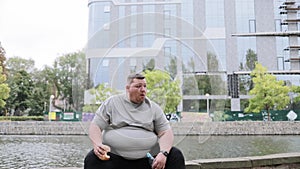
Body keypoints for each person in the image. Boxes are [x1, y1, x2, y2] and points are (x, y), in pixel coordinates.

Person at [84, 73, 185, 169]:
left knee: (175, 155)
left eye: (145, 86)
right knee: (92, 158)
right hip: (115, 157)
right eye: (138, 86)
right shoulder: (112, 103)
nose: (143, 89)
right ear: (127, 88)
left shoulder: (154, 108)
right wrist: (98, 145)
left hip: (146, 158)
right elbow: (95, 126)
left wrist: (163, 153)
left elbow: (166, 132)